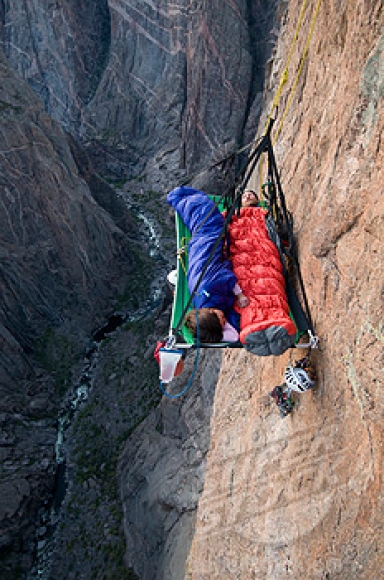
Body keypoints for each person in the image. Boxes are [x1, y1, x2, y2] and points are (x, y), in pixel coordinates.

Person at [167, 186, 249, 343]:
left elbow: (227, 277)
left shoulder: (208, 288)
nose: (225, 320)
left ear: (211, 311)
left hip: (206, 242)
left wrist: (240, 295)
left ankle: (179, 197)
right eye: (224, 324)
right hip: (202, 250)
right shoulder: (203, 313)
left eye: (222, 319)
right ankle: (179, 198)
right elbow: (233, 337)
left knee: (207, 213)